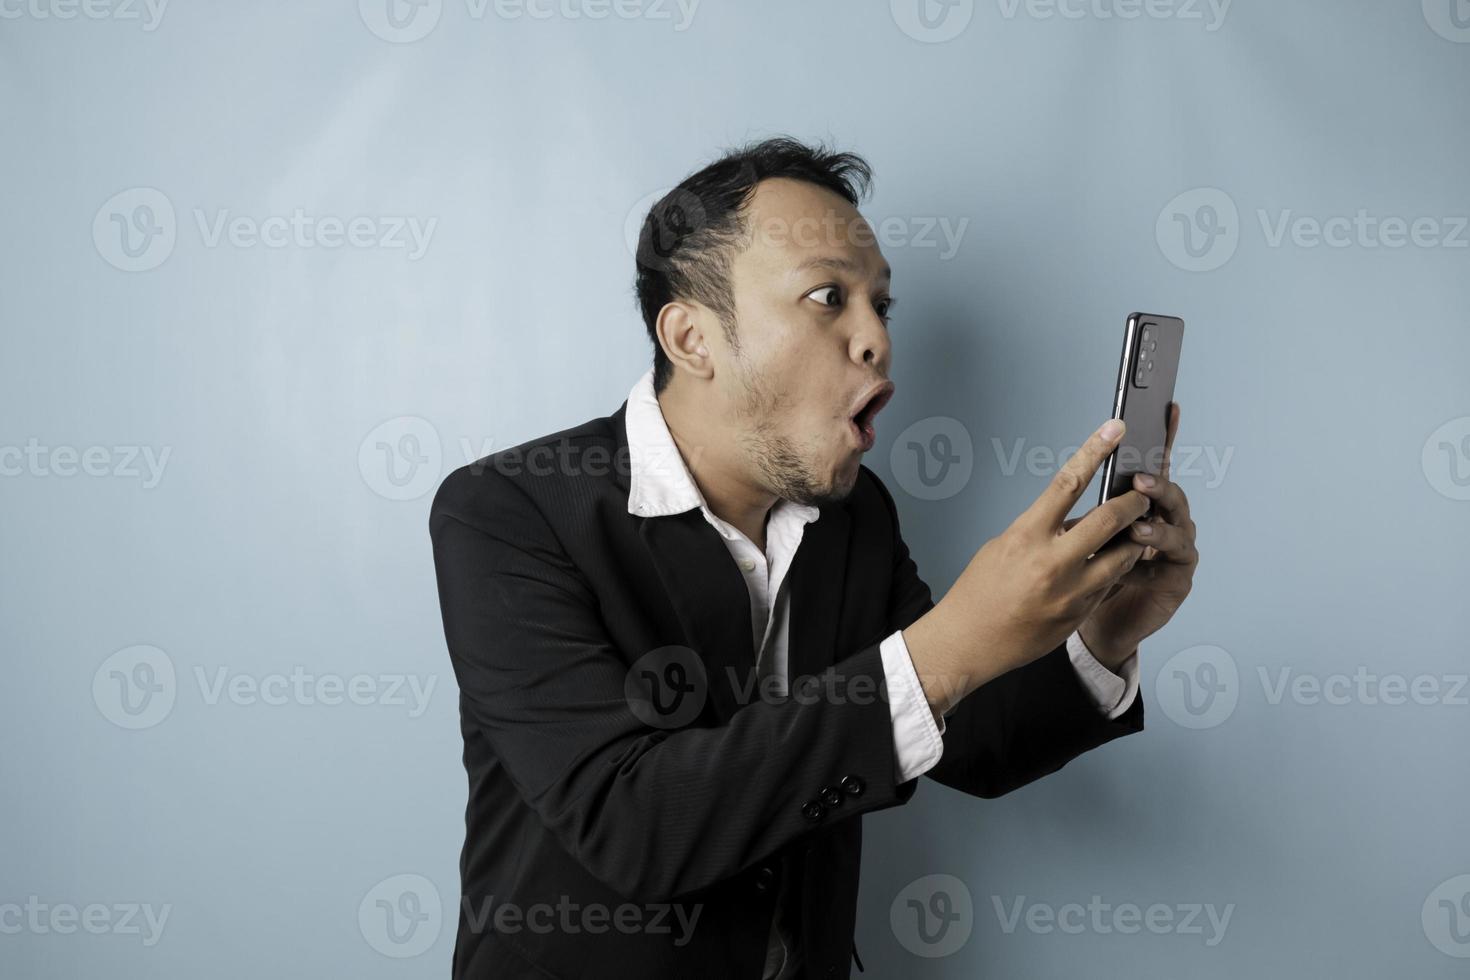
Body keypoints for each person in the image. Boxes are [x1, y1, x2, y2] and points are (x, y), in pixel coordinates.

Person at [429, 136, 1199, 979]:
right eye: (828, 296)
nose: (876, 340)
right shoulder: (507, 512)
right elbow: (633, 821)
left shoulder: (853, 515)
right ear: (692, 338)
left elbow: (975, 740)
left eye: (881, 307)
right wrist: (948, 646)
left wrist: (1103, 638)